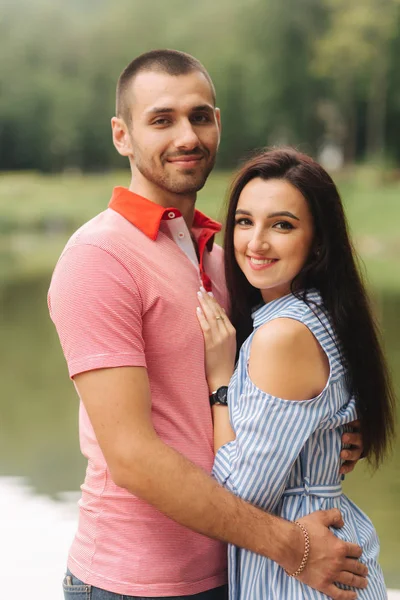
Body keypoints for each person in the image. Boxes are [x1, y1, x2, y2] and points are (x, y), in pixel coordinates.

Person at [48, 50, 366, 600]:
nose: (186, 135)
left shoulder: (225, 259)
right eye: (161, 119)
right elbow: (131, 457)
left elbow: (267, 398)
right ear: (122, 136)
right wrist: (293, 547)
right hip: (135, 583)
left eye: (199, 116)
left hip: (238, 570)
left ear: (217, 124)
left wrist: (329, 436)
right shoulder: (98, 257)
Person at [196, 147, 396, 599]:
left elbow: (241, 498)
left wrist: (220, 383)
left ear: (318, 241)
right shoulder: (327, 312)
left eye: (282, 224)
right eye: (245, 222)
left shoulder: (282, 336)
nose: (256, 243)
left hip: (301, 573)